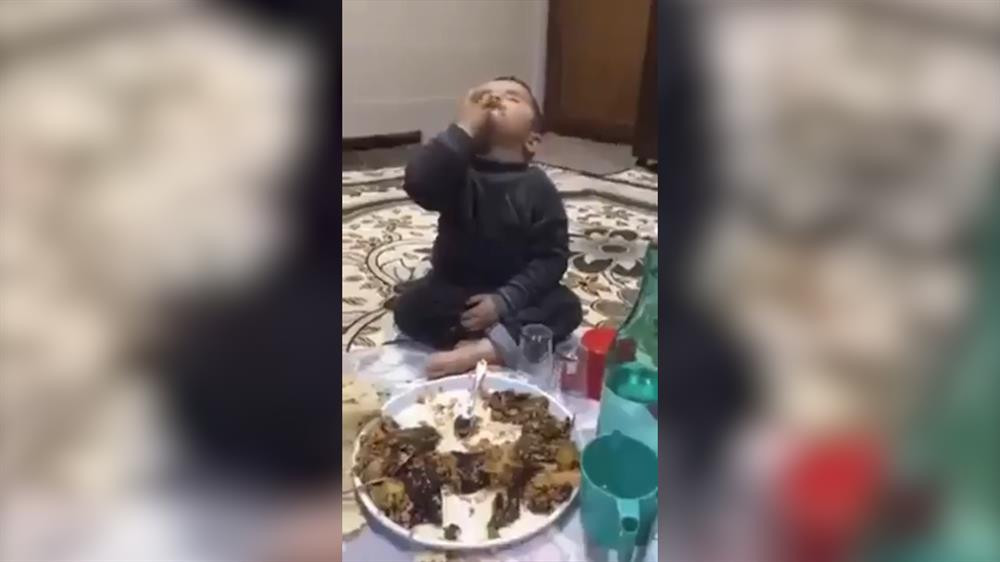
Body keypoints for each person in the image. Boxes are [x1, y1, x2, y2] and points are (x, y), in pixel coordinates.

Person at [393, 76, 582, 377]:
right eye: (484, 96)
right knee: (409, 307)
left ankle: (485, 350)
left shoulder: (538, 187)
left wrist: (505, 300)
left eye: (512, 97)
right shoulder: (457, 174)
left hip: (516, 294)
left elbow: (552, 258)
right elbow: (419, 183)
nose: (495, 100)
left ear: (532, 140)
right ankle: (496, 341)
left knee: (565, 307)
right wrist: (463, 129)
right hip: (457, 291)